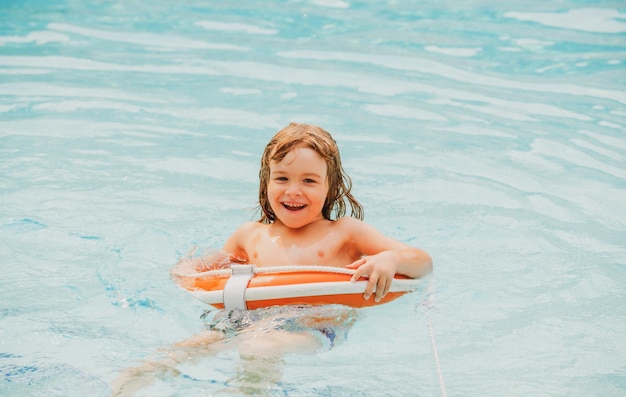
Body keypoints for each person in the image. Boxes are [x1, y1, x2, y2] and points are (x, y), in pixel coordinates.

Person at [111, 122, 432, 395]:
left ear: (331, 187)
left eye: (308, 180)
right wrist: (186, 271)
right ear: (266, 183)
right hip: (243, 320)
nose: (293, 191)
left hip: (315, 327)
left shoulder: (345, 232)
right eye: (282, 178)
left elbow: (421, 261)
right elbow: (205, 275)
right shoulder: (249, 235)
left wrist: (389, 259)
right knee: (178, 352)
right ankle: (126, 387)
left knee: (260, 346)